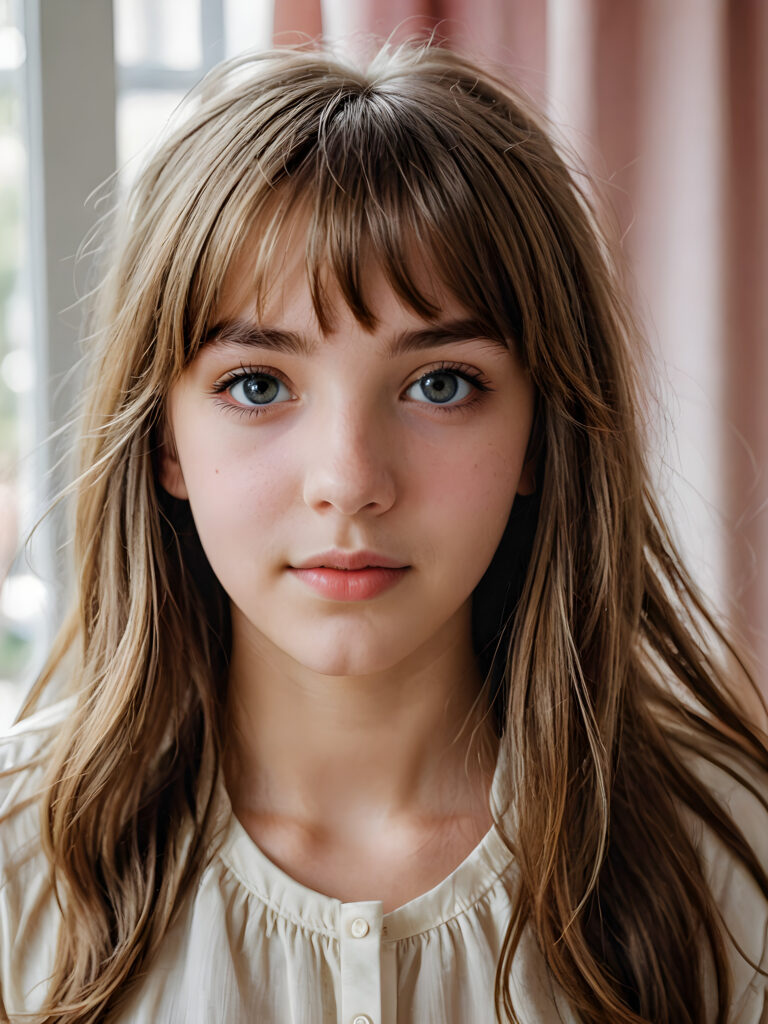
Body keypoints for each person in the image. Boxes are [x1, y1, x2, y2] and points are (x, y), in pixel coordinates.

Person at [0, 39, 766, 1024]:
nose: (350, 481)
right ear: (164, 443)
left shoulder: (728, 858)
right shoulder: (21, 865)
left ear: (543, 433)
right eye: (258, 384)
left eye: (440, 384)